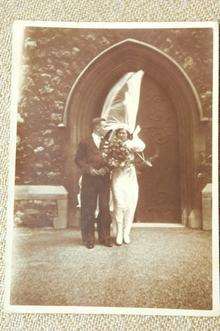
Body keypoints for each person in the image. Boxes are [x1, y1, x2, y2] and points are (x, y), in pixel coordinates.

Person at [75, 117, 113, 249]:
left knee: (104, 208)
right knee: (88, 209)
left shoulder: (108, 143)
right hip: (89, 180)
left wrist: (107, 168)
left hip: (104, 180)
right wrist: (90, 170)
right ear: (97, 128)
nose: (106, 129)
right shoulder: (85, 142)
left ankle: (105, 237)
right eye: (104, 127)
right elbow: (78, 160)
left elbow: (113, 160)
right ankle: (88, 239)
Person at [111, 126, 145, 245]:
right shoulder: (113, 145)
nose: (121, 135)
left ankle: (126, 232)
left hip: (129, 176)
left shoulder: (131, 144)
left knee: (130, 203)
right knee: (119, 203)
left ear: (127, 134)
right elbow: (109, 159)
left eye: (124, 133)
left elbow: (141, 147)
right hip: (118, 175)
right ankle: (119, 232)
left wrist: (135, 136)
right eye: (119, 133)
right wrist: (115, 162)